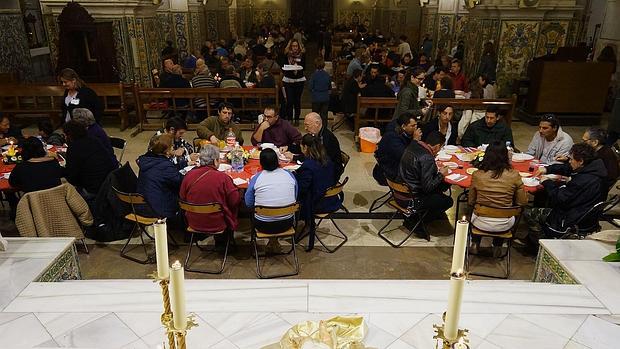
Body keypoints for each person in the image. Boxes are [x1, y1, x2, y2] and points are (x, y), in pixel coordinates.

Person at [529, 143, 607, 238]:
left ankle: (540, 242)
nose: (569, 161)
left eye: (571, 159)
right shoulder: (596, 170)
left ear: (581, 161)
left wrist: (547, 182)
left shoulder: (581, 180)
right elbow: (568, 168)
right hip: (589, 220)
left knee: (529, 213)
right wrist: (547, 169)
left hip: (568, 221)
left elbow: (559, 198)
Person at [468, 141, 528, 253]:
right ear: (506, 156)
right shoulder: (514, 175)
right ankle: (498, 246)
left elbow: (471, 201)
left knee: (471, 210)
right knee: (504, 212)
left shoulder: (477, 175)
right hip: (504, 223)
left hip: (480, 221)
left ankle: (475, 242)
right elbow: (522, 202)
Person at [179, 145, 241, 235]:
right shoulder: (223, 178)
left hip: (193, 222)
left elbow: (182, 197)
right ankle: (224, 242)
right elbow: (234, 201)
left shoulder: (189, 175)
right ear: (215, 161)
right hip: (218, 223)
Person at [398, 131, 453, 219]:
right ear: (437, 146)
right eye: (441, 148)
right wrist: (441, 174)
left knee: (442, 186)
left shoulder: (413, 146)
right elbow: (427, 188)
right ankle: (417, 219)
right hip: (412, 199)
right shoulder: (427, 158)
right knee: (448, 201)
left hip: (399, 193)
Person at [245, 148, 298, 233]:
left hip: (262, 224)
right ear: (278, 161)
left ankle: (272, 242)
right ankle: (274, 242)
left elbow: (249, 203)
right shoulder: (289, 175)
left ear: (261, 163)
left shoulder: (256, 178)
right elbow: (295, 196)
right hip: (287, 222)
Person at [63, 120, 117, 200]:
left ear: (69, 135)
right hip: (109, 183)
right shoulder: (95, 140)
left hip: (92, 190)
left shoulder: (74, 148)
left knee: (63, 191)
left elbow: (72, 178)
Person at [295, 134, 340, 222]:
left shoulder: (308, 166)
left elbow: (302, 189)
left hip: (317, 203)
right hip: (332, 199)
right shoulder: (328, 160)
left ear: (305, 147)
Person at [137, 133, 183, 220]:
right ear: (167, 151)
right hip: (160, 209)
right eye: (172, 146)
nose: (173, 147)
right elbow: (180, 182)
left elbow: (166, 171)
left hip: (143, 206)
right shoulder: (165, 165)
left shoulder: (146, 160)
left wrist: (185, 163)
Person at [373, 111, 423, 185]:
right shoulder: (392, 137)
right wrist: (415, 140)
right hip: (389, 173)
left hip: (396, 168)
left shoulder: (405, 134)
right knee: (423, 179)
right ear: (403, 126)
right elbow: (405, 157)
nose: (416, 128)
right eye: (412, 126)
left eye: (416, 125)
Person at [296, 112, 343, 181]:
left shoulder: (327, 138)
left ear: (317, 123)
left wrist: (295, 157)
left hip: (329, 173)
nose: (305, 128)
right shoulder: (316, 134)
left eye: (307, 125)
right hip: (322, 166)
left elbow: (318, 158)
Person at [582, 127, 619, 194]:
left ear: (595, 142)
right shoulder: (596, 150)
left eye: (584, 141)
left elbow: (610, 178)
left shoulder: (605, 155)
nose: (582, 143)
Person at [282, 39, 306, 124]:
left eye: (296, 46)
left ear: (298, 47)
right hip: (288, 79)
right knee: (290, 100)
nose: (295, 48)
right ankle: (289, 118)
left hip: (299, 79)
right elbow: (283, 66)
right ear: (290, 47)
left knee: (297, 100)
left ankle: (296, 118)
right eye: (293, 46)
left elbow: (304, 67)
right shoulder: (286, 55)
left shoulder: (302, 55)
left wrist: (297, 66)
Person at [309, 57, 332, 126]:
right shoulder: (327, 75)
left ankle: (314, 128)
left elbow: (310, 87)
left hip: (316, 97)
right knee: (324, 115)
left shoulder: (314, 75)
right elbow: (329, 86)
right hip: (325, 97)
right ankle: (324, 129)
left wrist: (313, 92)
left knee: (315, 115)